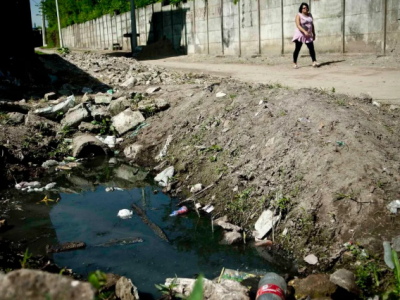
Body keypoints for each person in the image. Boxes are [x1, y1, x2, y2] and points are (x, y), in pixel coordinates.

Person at [292, 2, 319, 69]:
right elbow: (298, 25)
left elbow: (312, 25)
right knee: (297, 49)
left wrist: (314, 33)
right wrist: (304, 31)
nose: (305, 9)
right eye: (304, 8)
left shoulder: (310, 15)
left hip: (308, 34)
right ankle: (294, 63)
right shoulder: (299, 15)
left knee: (311, 48)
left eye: (306, 7)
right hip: (300, 34)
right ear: (301, 9)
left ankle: (314, 61)